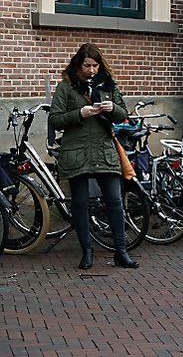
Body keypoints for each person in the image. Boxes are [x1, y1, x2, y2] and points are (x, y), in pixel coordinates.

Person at [48, 43, 138, 270]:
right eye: (87, 65)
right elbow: (55, 119)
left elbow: (123, 115)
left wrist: (111, 109)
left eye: (95, 65)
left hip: (104, 149)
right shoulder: (66, 87)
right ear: (79, 64)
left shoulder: (108, 84)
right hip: (76, 151)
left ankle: (121, 252)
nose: (91, 70)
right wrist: (79, 113)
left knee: (115, 202)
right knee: (80, 204)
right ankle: (86, 251)